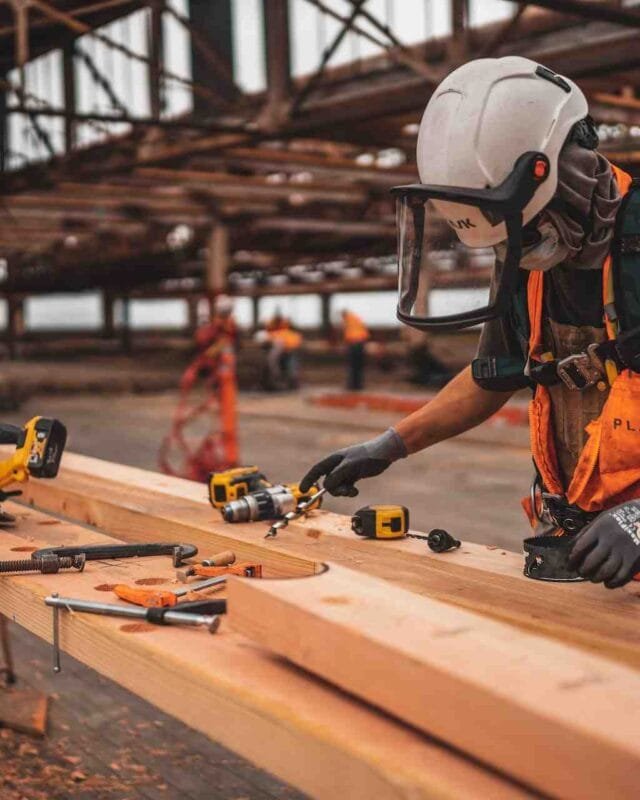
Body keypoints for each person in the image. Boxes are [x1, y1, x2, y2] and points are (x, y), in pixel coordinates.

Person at [300, 56, 640, 589]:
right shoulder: (533, 264)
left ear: (566, 172)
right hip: (584, 545)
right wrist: (391, 444)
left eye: (527, 232)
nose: (520, 252)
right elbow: (493, 376)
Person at [341, 309, 370, 390]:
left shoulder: (348, 320)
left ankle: (353, 385)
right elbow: (364, 333)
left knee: (353, 366)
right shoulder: (355, 318)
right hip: (360, 344)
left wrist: (346, 344)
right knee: (358, 366)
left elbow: (348, 334)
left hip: (354, 344)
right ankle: (358, 385)